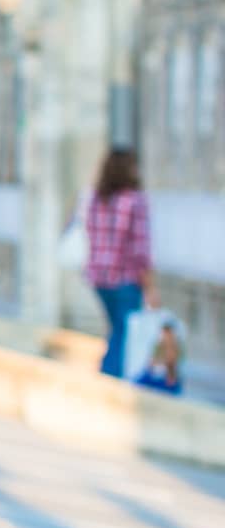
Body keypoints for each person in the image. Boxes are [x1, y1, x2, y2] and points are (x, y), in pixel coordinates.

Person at [84, 148, 157, 378]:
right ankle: (109, 377)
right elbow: (140, 248)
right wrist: (151, 287)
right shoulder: (134, 200)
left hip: (99, 278)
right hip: (124, 279)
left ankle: (110, 375)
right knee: (123, 333)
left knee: (117, 329)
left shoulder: (96, 198)